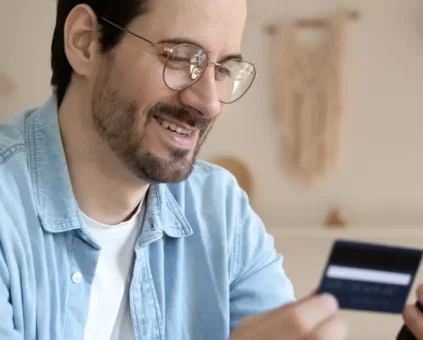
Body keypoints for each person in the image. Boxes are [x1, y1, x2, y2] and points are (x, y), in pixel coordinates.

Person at [0, 0, 421, 339]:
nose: (209, 103)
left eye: (222, 69)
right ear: (86, 42)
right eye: (182, 57)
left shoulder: (219, 209)